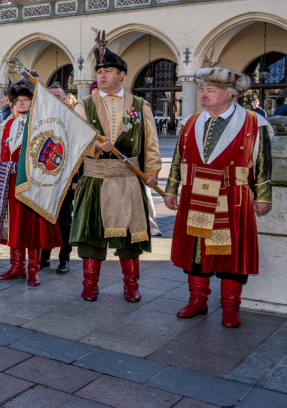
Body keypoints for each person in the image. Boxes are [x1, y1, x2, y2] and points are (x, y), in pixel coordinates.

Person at [165, 67, 273, 328]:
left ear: (228, 94)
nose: (204, 95)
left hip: (233, 196)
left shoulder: (252, 122)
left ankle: (230, 307)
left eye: (210, 91)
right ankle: (198, 300)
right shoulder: (190, 122)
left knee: (231, 255)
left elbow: (262, 161)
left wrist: (263, 196)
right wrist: (171, 189)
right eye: (203, 90)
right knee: (196, 253)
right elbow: (179, 157)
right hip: (196, 195)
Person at [70, 39, 161, 302]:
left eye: (108, 71)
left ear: (121, 75)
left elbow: (151, 144)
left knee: (131, 237)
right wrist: (95, 147)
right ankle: (90, 283)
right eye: (99, 72)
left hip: (127, 179)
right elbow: (75, 140)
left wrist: (152, 170)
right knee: (91, 235)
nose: (102, 75)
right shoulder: (83, 105)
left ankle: (131, 284)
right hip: (94, 177)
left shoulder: (139, 105)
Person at [0, 79, 63, 285]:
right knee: (13, 225)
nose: (21, 103)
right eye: (18, 100)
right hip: (8, 181)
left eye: (26, 99)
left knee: (32, 227)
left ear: (33, 102)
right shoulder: (7, 125)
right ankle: (17, 267)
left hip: (33, 183)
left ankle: (34, 269)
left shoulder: (42, 125)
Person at [39, 87, 75, 274]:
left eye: (58, 96)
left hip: (65, 179)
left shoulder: (73, 119)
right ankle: (44, 257)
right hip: (44, 179)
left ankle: (64, 259)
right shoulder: (41, 118)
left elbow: (79, 151)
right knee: (45, 218)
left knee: (64, 222)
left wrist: (76, 177)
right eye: (51, 96)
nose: (55, 99)